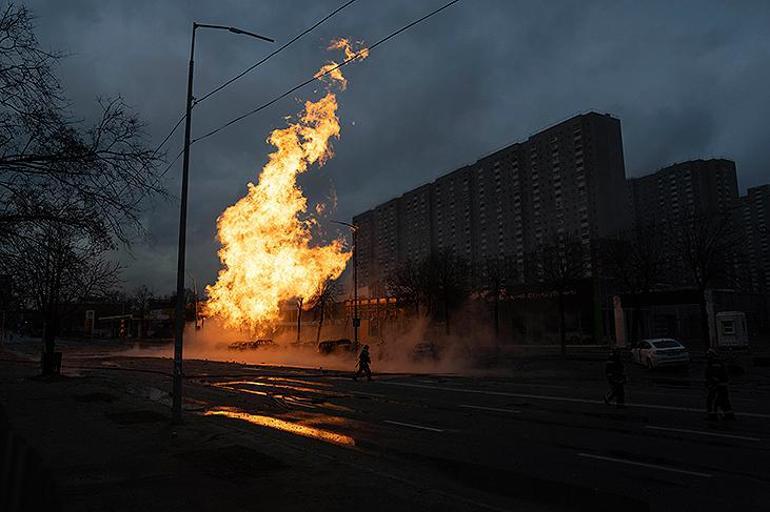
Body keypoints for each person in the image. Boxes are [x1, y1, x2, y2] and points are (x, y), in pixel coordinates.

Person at [705, 348, 735, 420]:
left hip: (717, 385)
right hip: (721, 385)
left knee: (712, 400)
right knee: (724, 401)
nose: (707, 356)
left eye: (708, 354)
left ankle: (712, 416)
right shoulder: (716, 361)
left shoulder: (714, 362)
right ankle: (729, 415)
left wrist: (712, 383)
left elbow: (714, 374)